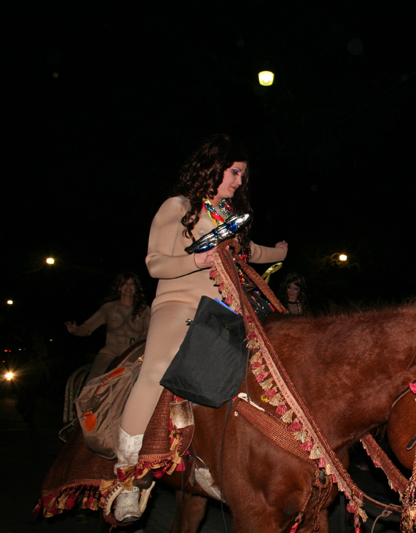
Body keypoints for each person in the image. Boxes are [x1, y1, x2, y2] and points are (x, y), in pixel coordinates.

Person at [113, 134, 288, 523]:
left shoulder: (230, 217)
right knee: (157, 371)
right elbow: (156, 264)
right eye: (235, 172)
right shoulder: (179, 206)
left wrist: (281, 253)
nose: (240, 181)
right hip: (180, 305)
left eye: (243, 175)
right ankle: (126, 478)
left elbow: (252, 253)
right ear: (214, 166)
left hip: (226, 312)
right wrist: (198, 260)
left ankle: (212, 458)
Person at [65, 272, 151, 383]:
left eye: (132, 284)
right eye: (125, 283)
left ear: (136, 288)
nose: (129, 287)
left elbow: (149, 332)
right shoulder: (109, 308)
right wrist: (75, 331)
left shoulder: (144, 310)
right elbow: (87, 327)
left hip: (134, 356)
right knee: (93, 383)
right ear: (119, 287)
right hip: (110, 353)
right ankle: (86, 399)